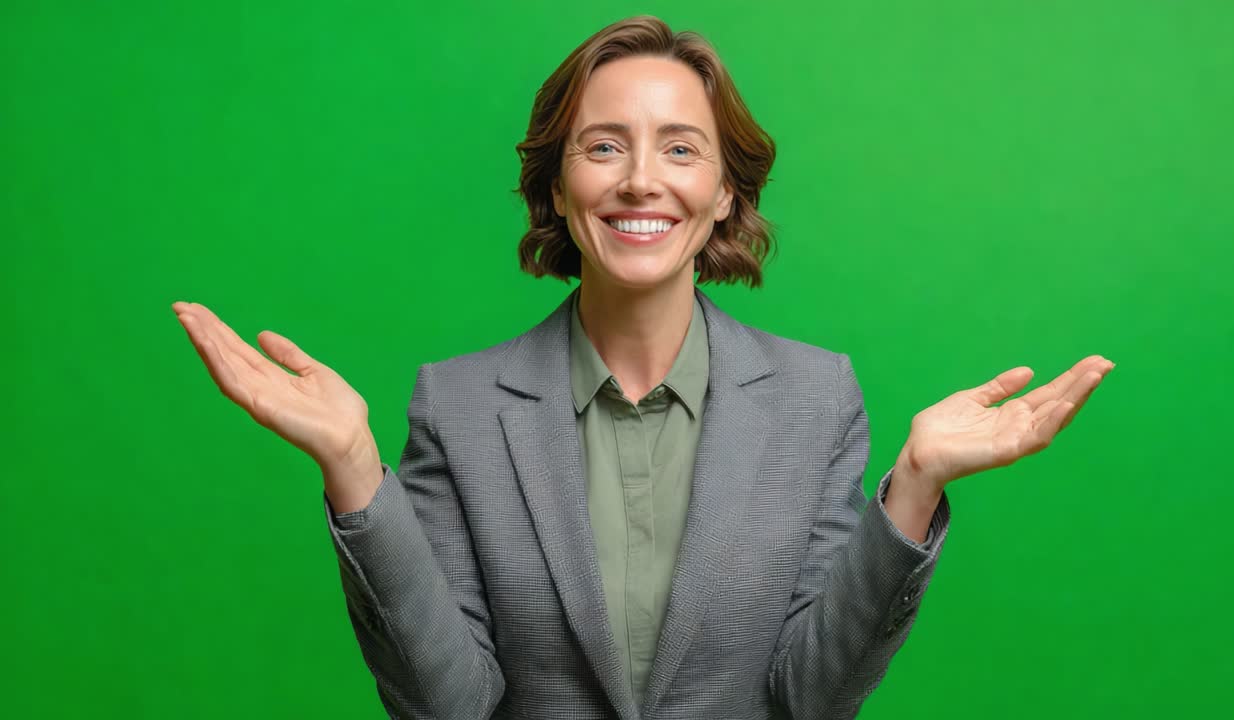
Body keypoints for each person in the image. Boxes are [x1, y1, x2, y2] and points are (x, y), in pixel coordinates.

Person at [172, 15, 1113, 720]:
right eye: (603, 146)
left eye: (680, 149)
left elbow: (812, 698)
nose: (639, 180)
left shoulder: (817, 400)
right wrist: (352, 468)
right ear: (557, 186)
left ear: (724, 192)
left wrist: (915, 484)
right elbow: (447, 705)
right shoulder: (455, 405)